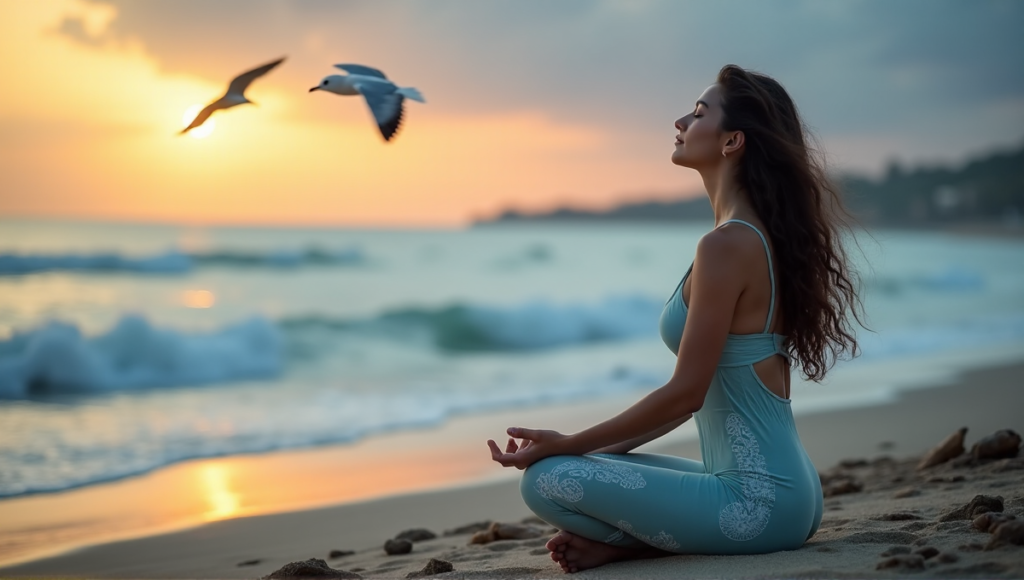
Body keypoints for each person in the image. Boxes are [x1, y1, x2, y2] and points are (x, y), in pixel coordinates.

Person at [486, 64, 864, 574]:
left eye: (699, 112)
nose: (680, 119)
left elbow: (685, 394)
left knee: (547, 480)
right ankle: (634, 542)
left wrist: (568, 445)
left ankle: (632, 546)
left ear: (732, 141)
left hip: (757, 506)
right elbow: (689, 404)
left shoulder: (727, 245)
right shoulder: (752, 237)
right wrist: (581, 449)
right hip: (787, 493)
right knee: (572, 465)